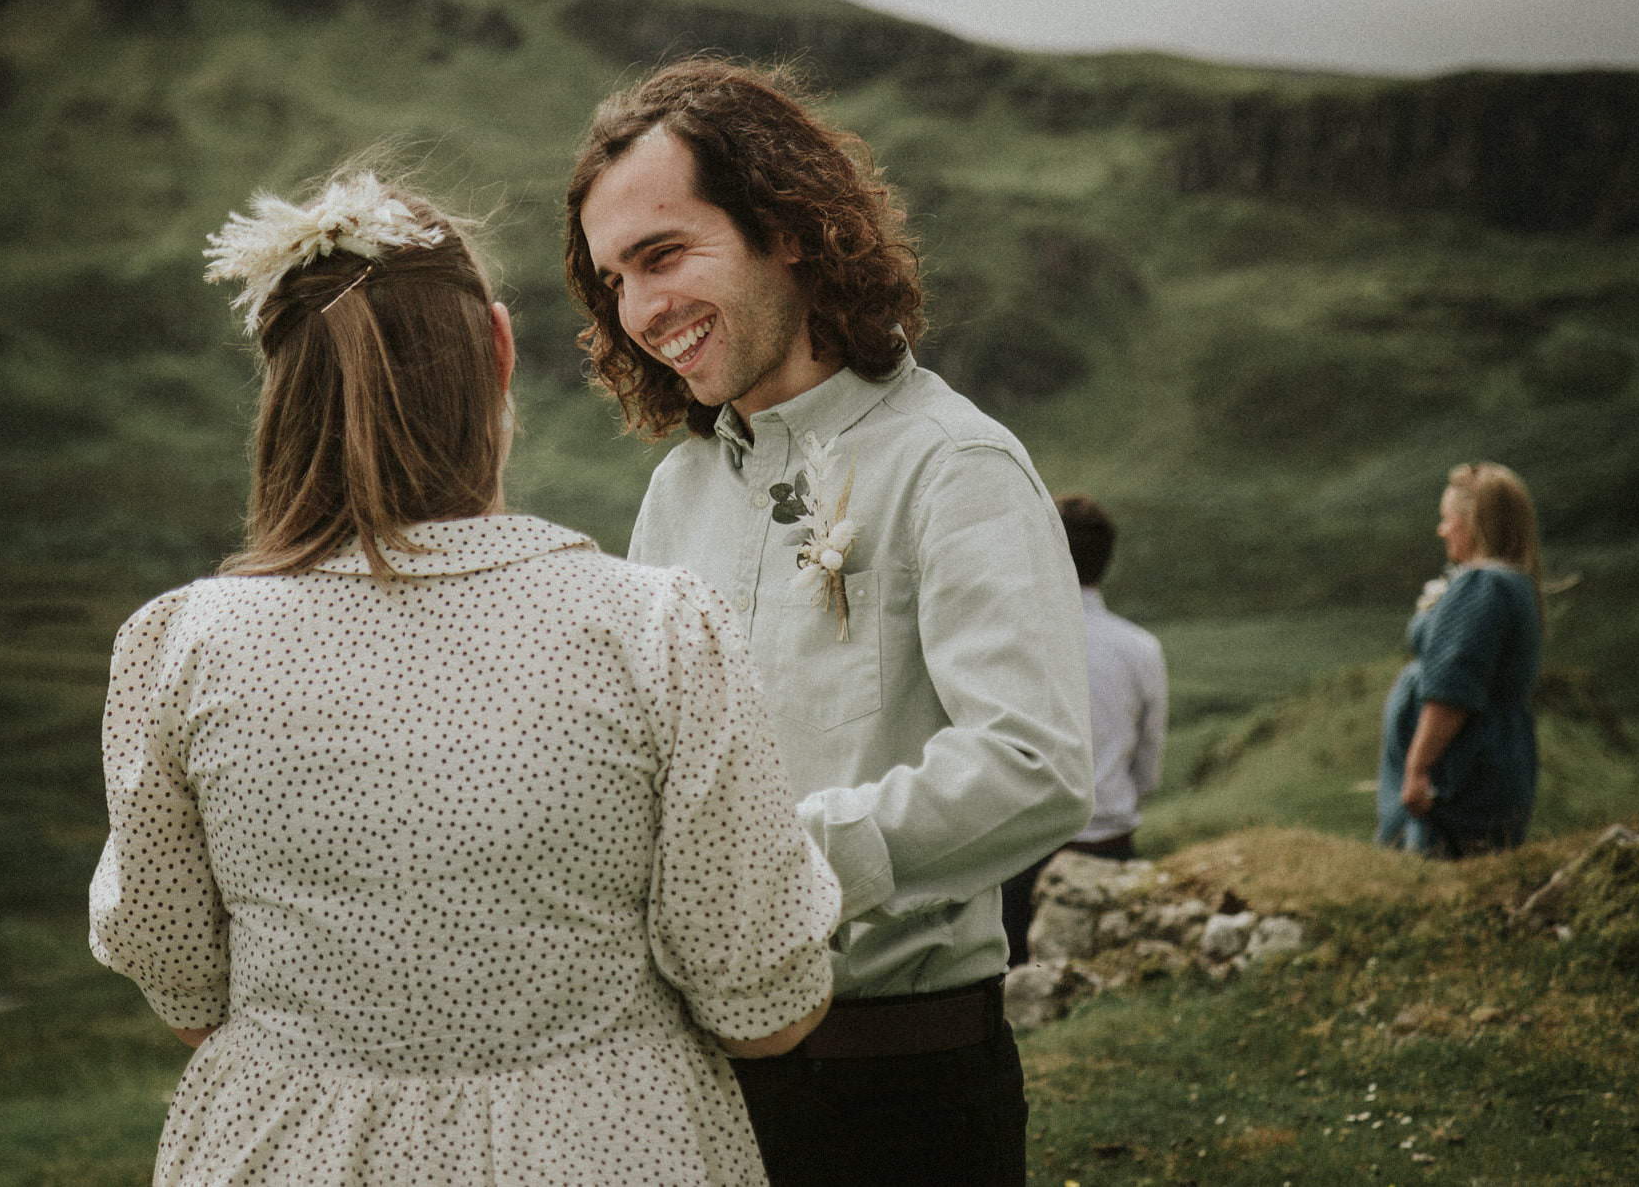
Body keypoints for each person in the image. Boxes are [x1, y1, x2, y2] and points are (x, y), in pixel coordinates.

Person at [89, 169, 839, 1185]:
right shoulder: (656, 630)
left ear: (283, 385)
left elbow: (185, 992)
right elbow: (763, 1009)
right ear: (498, 347)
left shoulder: (180, 646)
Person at [565, 58, 1094, 1187]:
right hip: (687, 1090)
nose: (641, 309)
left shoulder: (956, 464)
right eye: (615, 279)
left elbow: (1036, 765)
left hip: (897, 1092)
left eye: (664, 255)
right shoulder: (676, 493)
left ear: (788, 229)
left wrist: (787, 863)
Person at [1001, 494, 1167, 964]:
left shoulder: (1014, 638)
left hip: (1026, 852)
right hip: (1110, 850)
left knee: (1017, 985)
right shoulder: (1141, 649)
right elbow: (1148, 767)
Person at [1376, 461, 1545, 858]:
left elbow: (1452, 690)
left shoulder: (1482, 586)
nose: (1442, 530)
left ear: (1474, 522)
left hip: (1459, 771)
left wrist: (1417, 770)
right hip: (1493, 758)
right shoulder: (1513, 584)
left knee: (1434, 873)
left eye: (1447, 518)